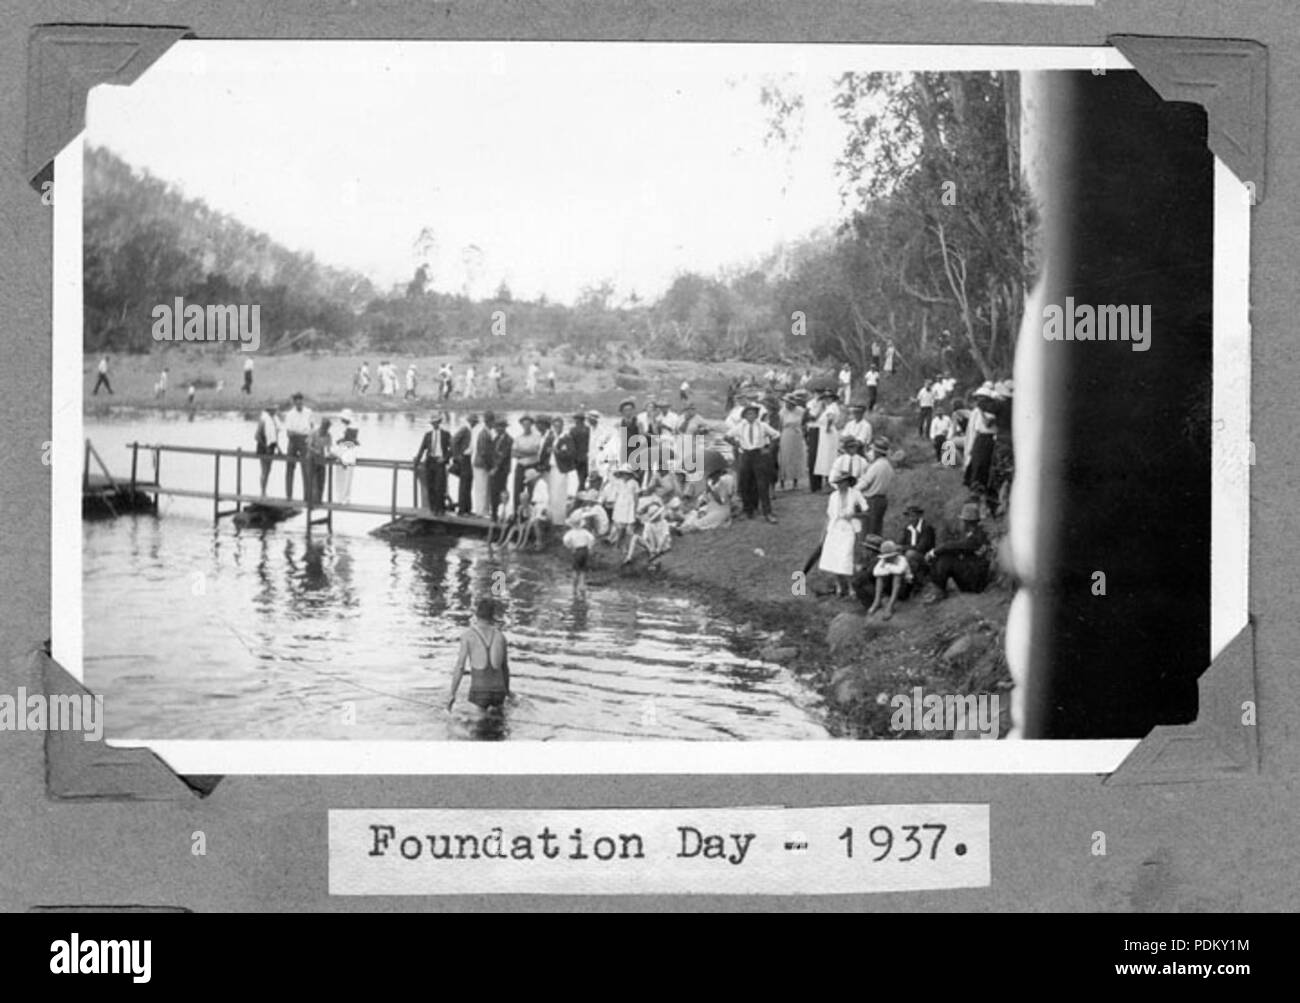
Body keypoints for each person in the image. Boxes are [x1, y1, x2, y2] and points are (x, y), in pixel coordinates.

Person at [447, 597, 510, 712]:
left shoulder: (468, 635)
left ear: (476, 614)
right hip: (499, 692)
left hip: (479, 691)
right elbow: (505, 668)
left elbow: (460, 666)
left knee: (474, 727)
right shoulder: (501, 636)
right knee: (498, 724)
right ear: (492, 616)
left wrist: (452, 693)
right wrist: (507, 692)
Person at [926, 502, 992, 600]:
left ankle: (939, 591)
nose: (963, 523)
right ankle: (938, 588)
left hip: (976, 582)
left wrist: (935, 551)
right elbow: (959, 547)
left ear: (967, 522)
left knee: (946, 559)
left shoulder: (978, 535)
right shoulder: (972, 533)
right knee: (946, 555)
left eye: (964, 521)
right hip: (972, 574)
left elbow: (955, 545)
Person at [819, 472, 867, 597]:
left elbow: (867, 512)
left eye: (842, 482)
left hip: (849, 529)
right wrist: (823, 535)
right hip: (835, 529)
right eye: (838, 483)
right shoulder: (833, 496)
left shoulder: (856, 494)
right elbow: (829, 516)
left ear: (847, 482)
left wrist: (853, 515)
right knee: (834, 558)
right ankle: (839, 586)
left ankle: (851, 587)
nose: (840, 485)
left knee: (846, 557)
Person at [729, 401, 778, 522]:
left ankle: (768, 512)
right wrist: (737, 445)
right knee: (745, 482)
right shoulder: (741, 426)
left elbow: (776, 435)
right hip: (746, 455)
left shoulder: (762, 425)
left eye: (753, 414)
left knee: (762, 484)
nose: (751, 416)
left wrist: (769, 449)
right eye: (748, 414)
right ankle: (748, 510)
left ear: (757, 415)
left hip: (759, 455)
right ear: (745, 416)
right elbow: (727, 436)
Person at [414, 413, 451, 515]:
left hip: (440, 462)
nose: (434, 424)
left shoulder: (445, 434)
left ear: (439, 423)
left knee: (440, 486)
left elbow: (452, 449)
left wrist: (445, 458)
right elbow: (422, 449)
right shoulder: (428, 435)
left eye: (436, 422)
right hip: (430, 461)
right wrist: (416, 462)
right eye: (433, 423)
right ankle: (433, 508)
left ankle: (440, 508)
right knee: (431, 485)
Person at [678, 468, 734, 533]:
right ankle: (682, 527)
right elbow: (705, 499)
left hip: (720, 510)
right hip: (710, 508)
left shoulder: (727, 479)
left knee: (700, 523)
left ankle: (682, 530)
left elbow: (722, 501)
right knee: (695, 514)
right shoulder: (710, 481)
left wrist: (712, 489)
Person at [866, 540, 912, 619]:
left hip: (904, 588)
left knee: (897, 576)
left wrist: (887, 567)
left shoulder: (902, 559)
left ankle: (890, 606)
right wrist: (889, 569)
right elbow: (875, 572)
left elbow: (899, 570)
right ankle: (876, 602)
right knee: (879, 578)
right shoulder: (883, 561)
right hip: (889, 586)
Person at [964, 387, 997, 493]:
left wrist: (982, 410)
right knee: (976, 463)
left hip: (989, 438)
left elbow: (988, 423)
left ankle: (983, 487)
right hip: (980, 437)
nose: (978, 400)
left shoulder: (992, 410)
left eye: (981, 398)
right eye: (977, 398)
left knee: (984, 464)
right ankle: (974, 486)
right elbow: (972, 428)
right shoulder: (976, 411)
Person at [860, 436, 894, 536]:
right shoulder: (888, 466)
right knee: (877, 528)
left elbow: (865, 483)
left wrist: (853, 489)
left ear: (877, 452)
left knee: (868, 529)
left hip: (872, 500)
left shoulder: (876, 466)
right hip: (882, 499)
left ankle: (868, 550)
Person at [898, 503, 936, 590]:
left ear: (919, 516)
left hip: (925, 557)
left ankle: (917, 582)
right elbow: (901, 543)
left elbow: (921, 547)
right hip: (911, 554)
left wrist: (903, 548)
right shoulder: (907, 528)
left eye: (913, 516)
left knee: (910, 554)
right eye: (909, 516)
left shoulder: (926, 528)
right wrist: (898, 548)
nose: (911, 519)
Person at [282, 392, 313, 499]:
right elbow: (289, 433)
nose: (299, 403)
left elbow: (312, 428)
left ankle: (307, 497)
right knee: (290, 467)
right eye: (297, 401)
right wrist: (300, 433)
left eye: (301, 401)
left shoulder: (308, 412)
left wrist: (309, 437)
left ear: (302, 401)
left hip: (305, 441)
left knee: (306, 468)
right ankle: (289, 496)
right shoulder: (290, 414)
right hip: (293, 441)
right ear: (294, 402)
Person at [511, 415, 541, 516]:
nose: (526, 426)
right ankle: (517, 514)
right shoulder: (518, 438)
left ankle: (530, 515)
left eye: (528, 424)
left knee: (531, 491)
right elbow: (513, 453)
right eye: (524, 424)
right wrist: (527, 452)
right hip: (520, 466)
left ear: (531, 425)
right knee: (517, 491)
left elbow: (535, 451)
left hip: (532, 466)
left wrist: (521, 452)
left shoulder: (537, 437)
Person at [548, 415, 575, 524]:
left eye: (558, 426)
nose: (556, 428)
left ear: (562, 426)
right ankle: (552, 519)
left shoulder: (567, 438)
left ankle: (559, 521)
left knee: (560, 495)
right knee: (553, 494)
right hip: (552, 468)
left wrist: (557, 452)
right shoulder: (552, 437)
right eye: (555, 426)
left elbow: (570, 454)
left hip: (561, 469)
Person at [777, 395, 806, 491]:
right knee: (784, 457)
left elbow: (804, 423)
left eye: (790, 403)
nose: (788, 405)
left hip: (797, 434)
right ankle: (782, 482)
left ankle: (795, 482)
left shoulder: (800, 411)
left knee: (796, 457)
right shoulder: (782, 412)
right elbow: (780, 426)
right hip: (786, 434)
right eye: (786, 403)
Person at [812, 392, 841, 489]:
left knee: (828, 456)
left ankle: (830, 480)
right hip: (825, 433)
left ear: (832, 399)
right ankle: (828, 480)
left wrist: (828, 427)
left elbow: (830, 418)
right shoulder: (829, 407)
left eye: (829, 398)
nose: (826, 400)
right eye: (825, 398)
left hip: (828, 433)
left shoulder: (832, 407)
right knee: (826, 456)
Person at [452, 414, 479, 514]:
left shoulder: (470, 430)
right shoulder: (465, 429)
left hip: (468, 458)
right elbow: (454, 440)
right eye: (474, 422)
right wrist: (457, 456)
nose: (475, 424)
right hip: (464, 458)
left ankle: (467, 508)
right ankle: (462, 509)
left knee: (468, 483)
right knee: (464, 484)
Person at [608, 464, 639, 547]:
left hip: (629, 504)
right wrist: (613, 502)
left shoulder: (634, 483)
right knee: (618, 522)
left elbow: (636, 496)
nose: (625, 475)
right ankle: (614, 540)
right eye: (624, 473)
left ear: (630, 475)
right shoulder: (619, 482)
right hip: (620, 503)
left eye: (627, 474)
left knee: (627, 524)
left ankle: (624, 542)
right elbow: (616, 493)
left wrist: (636, 507)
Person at [471, 410, 495, 516]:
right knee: (481, 488)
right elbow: (483, 452)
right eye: (493, 421)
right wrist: (489, 466)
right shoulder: (484, 434)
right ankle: (480, 511)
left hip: (481, 464)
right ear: (490, 422)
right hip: (481, 465)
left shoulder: (486, 432)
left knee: (484, 488)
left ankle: (483, 510)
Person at [489, 417, 513, 521]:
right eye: (496, 427)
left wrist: (496, 468)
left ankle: (503, 513)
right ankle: (494, 513)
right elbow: (492, 454)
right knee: (493, 491)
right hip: (494, 469)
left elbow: (503, 456)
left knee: (502, 491)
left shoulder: (509, 440)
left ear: (504, 428)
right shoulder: (495, 439)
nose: (497, 429)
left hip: (503, 470)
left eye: (500, 427)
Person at [254, 407, 280, 496]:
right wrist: (265, 447)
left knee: (268, 470)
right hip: (263, 447)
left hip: (271, 447)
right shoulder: (263, 420)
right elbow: (257, 436)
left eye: (275, 410)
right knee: (264, 470)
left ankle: (264, 491)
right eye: (273, 410)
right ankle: (262, 491)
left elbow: (274, 437)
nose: (275, 411)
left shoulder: (275, 421)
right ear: (269, 411)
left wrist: (278, 449)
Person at [307, 418, 333, 503]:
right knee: (313, 482)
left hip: (322, 461)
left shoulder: (328, 435)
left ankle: (319, 501)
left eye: (327, 428)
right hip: (312, 460)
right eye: (324, 427)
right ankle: (312, 502)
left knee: (321, 481)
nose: (325, 429)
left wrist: (330, 454)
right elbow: (309, 446)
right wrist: (315, 451)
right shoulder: (313, 433)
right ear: (321, 426)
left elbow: (329, 449)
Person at [569, 411, 590, 489]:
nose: (576, 421)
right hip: (585, 457)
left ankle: (580, 491)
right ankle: (581, 489)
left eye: (576, 419)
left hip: (577, 457)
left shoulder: (573, 430)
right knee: (583, 477)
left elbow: (571, 444)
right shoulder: (588, 429)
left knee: (579, 477)